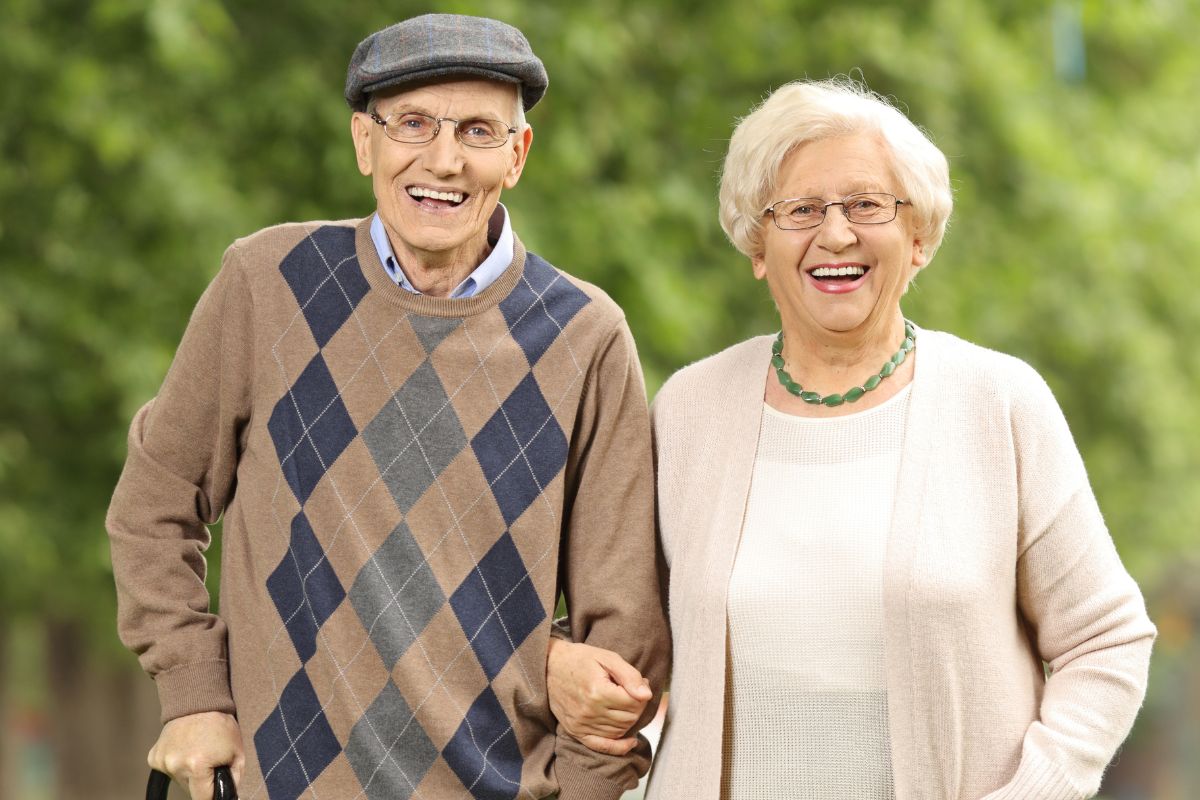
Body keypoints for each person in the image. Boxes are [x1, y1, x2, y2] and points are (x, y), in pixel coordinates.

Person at [106, 13, 669, 800]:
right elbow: (155, 502)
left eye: (478, 131)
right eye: (412, 123)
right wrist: (193, 693)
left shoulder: (586, 336)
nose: (443, 159)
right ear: (364, 142)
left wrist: (584, 791)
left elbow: (627, 635)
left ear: (518, 155)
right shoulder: (267, 284)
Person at [546, 78, 1155, 799]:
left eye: (867, 205)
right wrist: (553, 662)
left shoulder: (998, 402)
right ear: (757, 246)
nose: (835, 235)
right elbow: (616, 619)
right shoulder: (689, 409)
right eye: (800, 210)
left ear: (919, 237)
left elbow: (1106, 640)